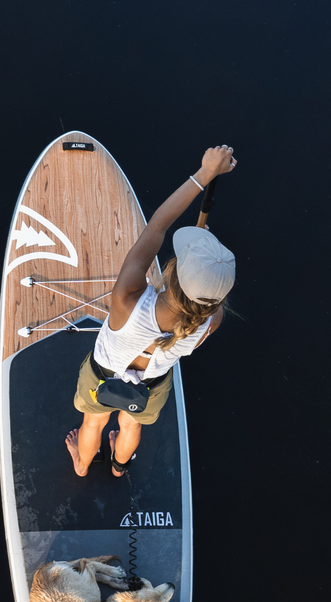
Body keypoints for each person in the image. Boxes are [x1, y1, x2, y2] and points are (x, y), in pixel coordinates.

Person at [65, 144, 238, 478]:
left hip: (102, 376)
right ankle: (119, 468)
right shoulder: (210, 323)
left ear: (173, 271)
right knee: (131, 426)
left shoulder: (128, 299)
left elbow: (157, 225)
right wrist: (201, 267)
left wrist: (206, 173)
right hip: (151, 388)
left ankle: (83, 464)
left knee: (94, 421)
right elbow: (207, 304)